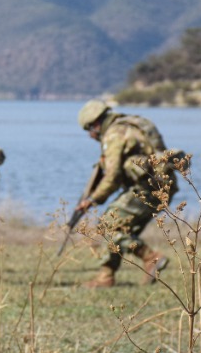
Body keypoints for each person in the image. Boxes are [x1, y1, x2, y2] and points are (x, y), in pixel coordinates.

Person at [74, 100, 178, 288]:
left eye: (89, 130)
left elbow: (112, 176)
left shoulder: (114, 134)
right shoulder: (134, 124)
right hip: (164, 186)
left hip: (148, 188)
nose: (90, 136)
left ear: (96, 124)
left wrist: (92, 199)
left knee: (108, 225)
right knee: (118, 228)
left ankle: (151, 257)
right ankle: (106, 276)